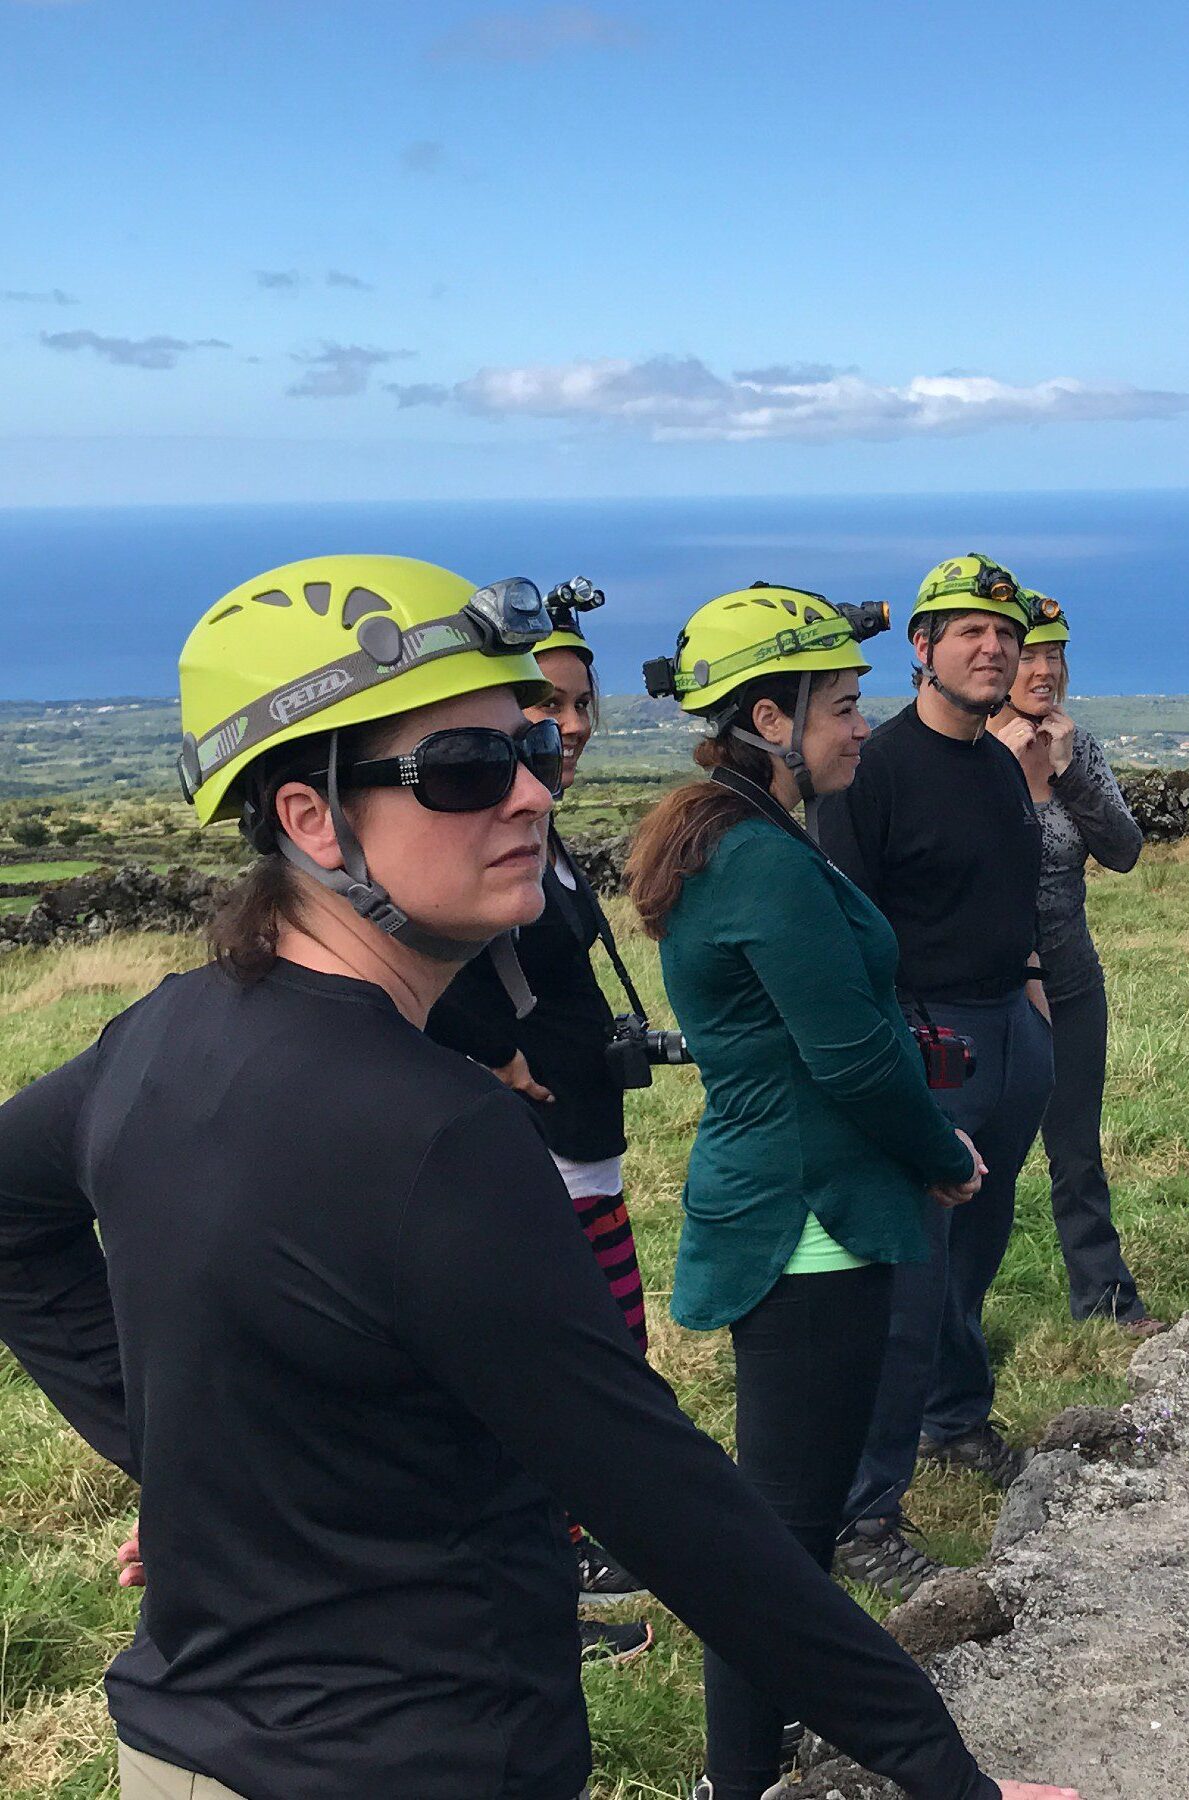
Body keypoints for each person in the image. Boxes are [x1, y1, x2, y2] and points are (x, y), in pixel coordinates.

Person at [0, 555, 1078, 1800]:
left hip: (181, 1749)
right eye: (461, 769)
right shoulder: (441, 1137)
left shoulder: (163, 1035)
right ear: (309, 817)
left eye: (532, 752)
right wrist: (948, 1775)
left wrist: (194, 1474)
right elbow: (678, 1512)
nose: (527, 794)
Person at [632, 581, 991, 1800]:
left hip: (800, 1203)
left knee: (787, 1519)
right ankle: (742, 1776)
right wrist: (944, 1156)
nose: (859, 725)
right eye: (842, 705)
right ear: (771, 723)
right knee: (785, 1533)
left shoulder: (743, 840)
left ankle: (758, 1752)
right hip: (811, 1221)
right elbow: (845, 1052)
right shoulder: (763, 865)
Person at [816, 554, 1056, 1601]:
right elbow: (849, 921)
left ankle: (955, 1422)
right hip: (926, 1039)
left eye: (1003, 634)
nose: (992, 648)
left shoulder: (1000, 765)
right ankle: (862, 1512)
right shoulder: (877, 769)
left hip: (1009, 1026)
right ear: (920, 649)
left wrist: (1037, 988)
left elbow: (1011, 891)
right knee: (911, 1278)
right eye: (967, 632)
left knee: (976, 1251)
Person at [426, 577, 651, 1650]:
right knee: (562, 1350)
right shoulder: (494, 836)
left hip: (580, 1126)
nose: (566, 728)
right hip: (539, 1130)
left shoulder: (544, 827)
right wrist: (503, 1058)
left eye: (579, 706)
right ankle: (553, 1557)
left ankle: (578, 1531)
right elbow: (444, 953)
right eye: (543, 708)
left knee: (605, 1333)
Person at [993, 594, 1163, 1336]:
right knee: (978, 1157)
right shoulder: (969, 754)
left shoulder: (1080, 747)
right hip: (988, 990)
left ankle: (1107, 1298)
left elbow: (1124, 852)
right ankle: (952, 1311)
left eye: (1054, 655)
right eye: (1029, 654)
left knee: (1076, 1151)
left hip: (1071, 982)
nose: (1044, 670)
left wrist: (1068, 773)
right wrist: (1015, 782)